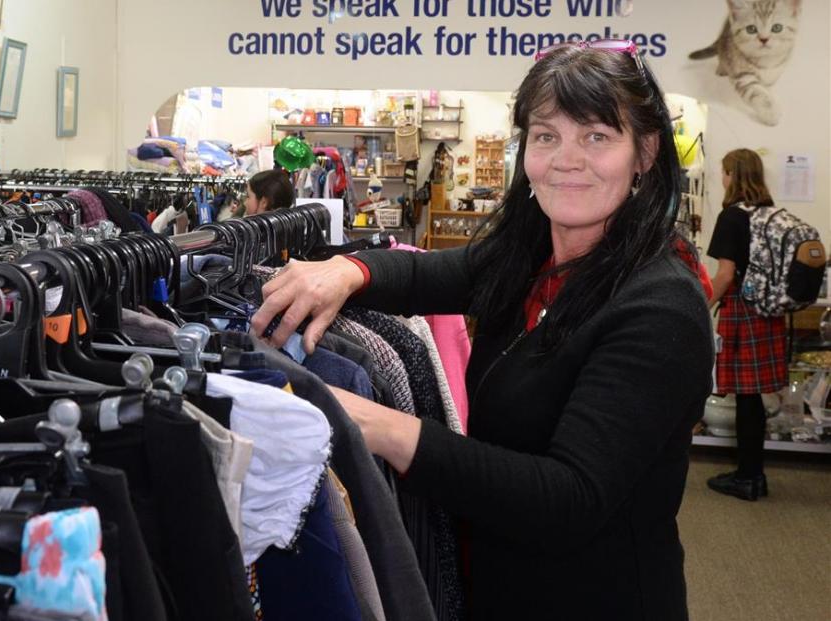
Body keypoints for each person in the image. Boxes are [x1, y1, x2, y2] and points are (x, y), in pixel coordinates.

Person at [251, 41, 714, 620]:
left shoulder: (660, 306)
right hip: (504, 586)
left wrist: (380, 425)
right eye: (547, 136)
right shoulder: (530, 257)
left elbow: (567, 499)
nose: (566, 159)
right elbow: (425, 272)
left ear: (644, 152)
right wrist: (347, 269)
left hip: (599, 598)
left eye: (597, 136)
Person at [705, 149, 786, 501]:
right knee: (753, 396)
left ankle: (748, 477)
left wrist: (700, 306)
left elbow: (724, 276)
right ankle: (754, 474)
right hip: (769, 311)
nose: (722, 179)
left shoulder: (733, 217)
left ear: (731, 175)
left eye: (724, 173)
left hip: (743, 311)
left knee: (747, 397)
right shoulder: (769, 214)